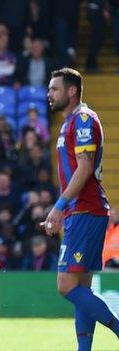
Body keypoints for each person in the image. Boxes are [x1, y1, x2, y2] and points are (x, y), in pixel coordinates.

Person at [43, 68, 119, 351]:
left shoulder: (84, 119)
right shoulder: (68, 124)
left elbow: (85, 168)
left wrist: (59, 206)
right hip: (82, 211)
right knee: (81, 287)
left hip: (85, 210)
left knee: (66, 285)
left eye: (54, 89)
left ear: (71, 91)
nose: (49, 94)